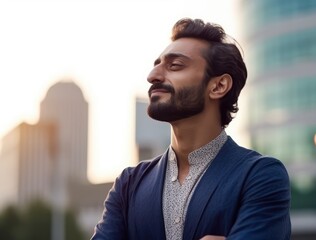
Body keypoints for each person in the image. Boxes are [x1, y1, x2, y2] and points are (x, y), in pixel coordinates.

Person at [92, 18, 291, 240]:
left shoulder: (260, 177)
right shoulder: (129, 184)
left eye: (175, 66)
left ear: (218, 86)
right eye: (156, 65)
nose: (152, 76)